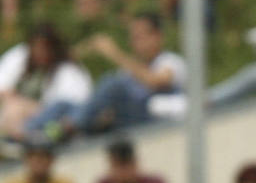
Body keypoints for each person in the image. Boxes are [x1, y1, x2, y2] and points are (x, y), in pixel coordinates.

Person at [0, 24, 93, 172]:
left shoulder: (68, 71)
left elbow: (72, 109)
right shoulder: (23, 62)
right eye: (36, 48)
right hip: (9, 129)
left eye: (45, 48)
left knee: (15, 107)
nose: (41, 53)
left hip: (45, 129)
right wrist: (11, 97)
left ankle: (17, 143)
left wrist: (24, 109)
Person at [49, 11, 185, 137]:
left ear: (157, 36)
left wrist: (114, 53)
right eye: (133, 37)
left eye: (139, 36)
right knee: (64, 105)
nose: (134, 42)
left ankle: (68, 127)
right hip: (122, 122)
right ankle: (39, 132)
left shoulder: (170, 61)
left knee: (112, 83)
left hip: (154, 120)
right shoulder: (128, 71)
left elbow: (155, 81)